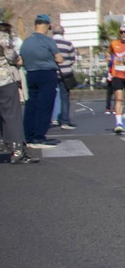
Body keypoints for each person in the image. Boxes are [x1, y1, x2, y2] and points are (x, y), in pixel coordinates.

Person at [22, 15, 65, 148]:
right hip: (46, 74)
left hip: (31, 74)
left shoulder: (26, 42)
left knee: (31, 106)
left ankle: (28, 136)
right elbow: (59, 59)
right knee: (45, 106)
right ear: (46, 25)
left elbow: (22, 59)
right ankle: (39, 137)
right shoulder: (48, 41)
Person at [0, 21, 33, 164]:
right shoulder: (3, 37)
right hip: (4, 80)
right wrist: (20, 61)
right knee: (11, 115)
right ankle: (17, 150)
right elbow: (12, 57)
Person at [52, 23, 77, 131]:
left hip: (51, 72)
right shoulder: (68, 44)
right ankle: (65, 120)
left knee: (51, 96)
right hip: (65, 73)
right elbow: (72, 59)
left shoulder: (49, 42)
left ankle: (53, 118)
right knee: (65, 97)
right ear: (63, 33)